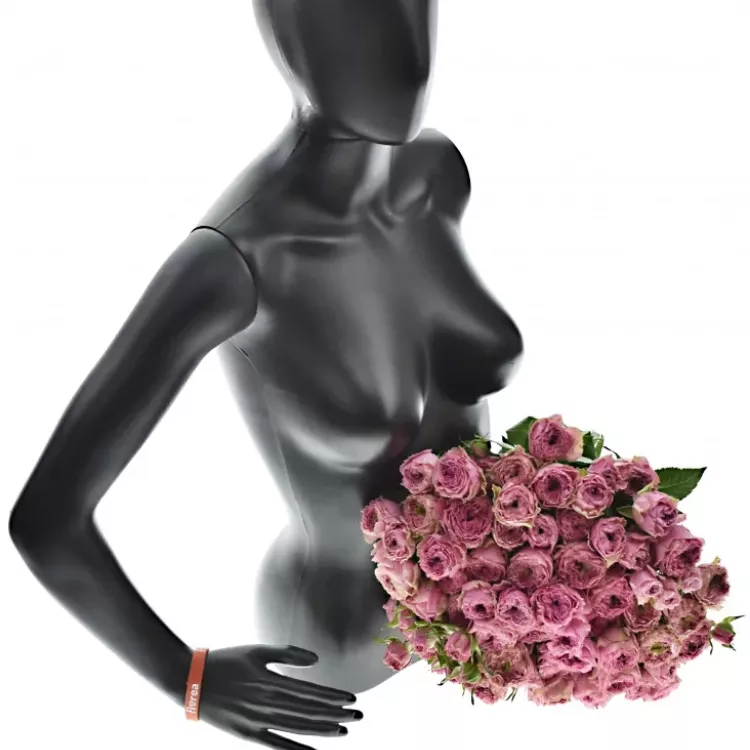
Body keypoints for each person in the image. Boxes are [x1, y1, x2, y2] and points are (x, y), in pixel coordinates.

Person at [8, 1, 523, 748]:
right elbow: (46, 519)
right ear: (287, 27)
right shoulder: (235, 260)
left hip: (488, 626)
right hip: (332, 657)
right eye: (355, 13)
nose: (402, 46)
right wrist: (185, 679)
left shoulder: (435, 172)